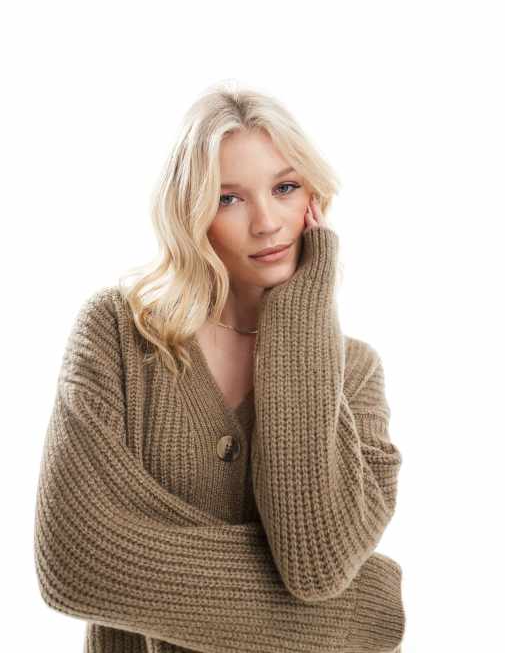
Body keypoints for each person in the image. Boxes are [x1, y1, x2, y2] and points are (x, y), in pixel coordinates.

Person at [33, 82, 405, 653]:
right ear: (191, 213)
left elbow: (317, 565)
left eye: (285, 188)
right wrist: (362, 615)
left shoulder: (355, 373)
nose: (267, 222)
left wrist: (299, 315)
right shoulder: (117, 335)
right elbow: (76, 562)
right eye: (229, 198)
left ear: (314, 198)